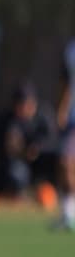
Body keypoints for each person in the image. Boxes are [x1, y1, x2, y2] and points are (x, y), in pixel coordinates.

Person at [0, 81, 55, 205]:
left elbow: (49, 141)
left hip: (41, 166)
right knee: (16, 171)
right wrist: (17, 150)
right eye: (22, 104)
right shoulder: (8, 121)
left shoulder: (42, 119)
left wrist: (37, 148)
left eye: (29, 103)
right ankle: (16, 195)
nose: (25, 108)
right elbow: (0, 149)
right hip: (16, 165)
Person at [53, 38, 75, 230]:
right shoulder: (71, 51)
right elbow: (65, 83)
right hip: (73, 119)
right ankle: (69, 213)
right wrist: (61, 109)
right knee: (66, 163)